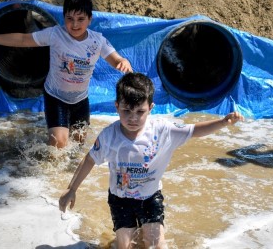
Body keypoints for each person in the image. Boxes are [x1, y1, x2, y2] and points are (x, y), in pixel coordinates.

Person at [58, 72, 244, 249]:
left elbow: (194, 130)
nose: (133, 118)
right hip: (120, 200)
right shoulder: (109, 136)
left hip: (150, 198)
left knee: (156, 245)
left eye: (140, 111)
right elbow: (90, 159)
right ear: (116, 106)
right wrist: (71, 189)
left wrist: (222, 122)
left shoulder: (162, 130)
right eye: (126, 111)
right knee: (125, 246)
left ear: (151, 108)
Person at [0, 0, 132, 148]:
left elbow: (115, 59)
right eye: (69, 19)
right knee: (58, 145)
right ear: (64, 18)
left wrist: (122, 62)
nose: (74, 25)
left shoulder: (98, 41)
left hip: (80, 100)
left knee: (78, 144)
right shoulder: (55, 34)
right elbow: (23, 39)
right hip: (56, 97)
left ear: (90, 19)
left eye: (80, 19)